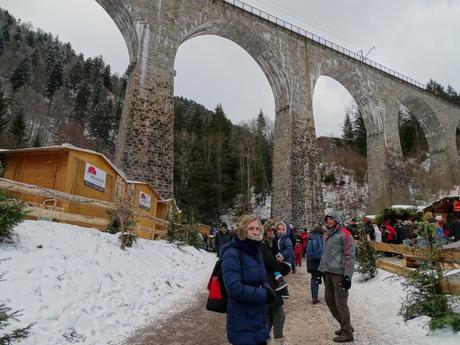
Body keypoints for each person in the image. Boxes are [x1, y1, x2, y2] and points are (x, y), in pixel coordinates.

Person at [221, 215, 274, 345]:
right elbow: (234, 289)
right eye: (251, 228)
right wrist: (264, 294)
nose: (255, 232)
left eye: (257, 228)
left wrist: (268, 289)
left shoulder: (256, 251)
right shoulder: (232, 253)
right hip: (242, 324)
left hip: (259, 321)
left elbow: (262, 279)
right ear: (242, 230)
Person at [318, 210, 356, 343]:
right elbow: (325, 255)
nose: (328, 221)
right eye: (327, 219)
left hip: (339, 274)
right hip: (328, 273)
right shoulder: (327, 234)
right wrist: (320, 271)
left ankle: (347, 333)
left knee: (341, 303)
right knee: (329, 300)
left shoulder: (344, 235)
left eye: (331, 219)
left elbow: (350, 256)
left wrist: (348, 276)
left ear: (337, 220)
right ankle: (346, 326)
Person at [261, 220, 290, 345]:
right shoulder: (262, 245)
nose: (273, 232)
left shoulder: (271, 243)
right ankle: (276, 341)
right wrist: (285, 267)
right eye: (270, 230)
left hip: (271, 281)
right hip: (268, 282)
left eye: (274, 230)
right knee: (278, 316)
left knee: (270, 316)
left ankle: (265, 340)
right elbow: (272, 263)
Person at [306, 225, 324, 304]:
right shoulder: (322, 238)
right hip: (321, 262)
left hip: (312, 262)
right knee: (326, 279)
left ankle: (314, 297)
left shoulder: (310, 238)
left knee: (314, 279)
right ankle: (329, 296)